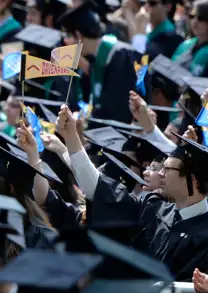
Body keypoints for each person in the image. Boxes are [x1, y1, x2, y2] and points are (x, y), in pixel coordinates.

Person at [58, 101, 208, 280]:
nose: (160, 174)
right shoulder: (154, 208)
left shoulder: (204, 236)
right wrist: (72, 138)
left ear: (192, 180)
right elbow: (101, 190)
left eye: (167, 169)